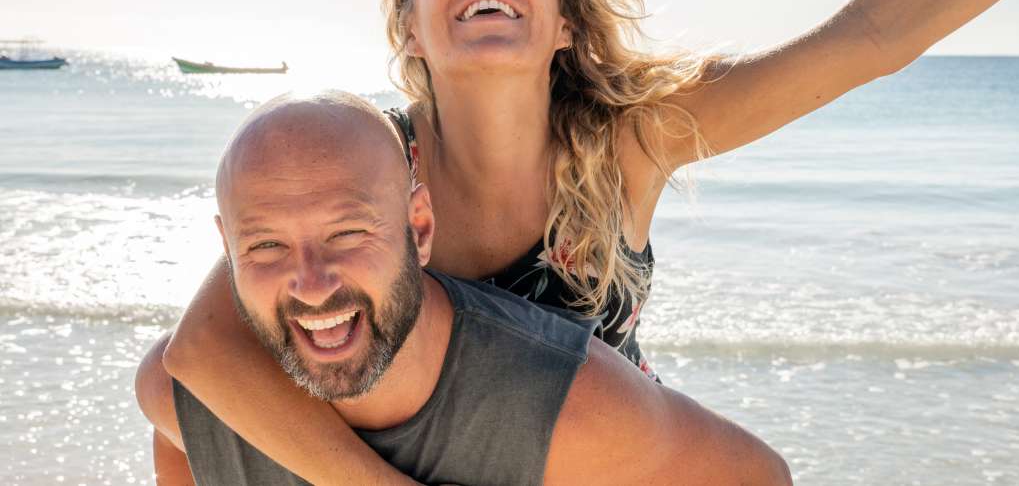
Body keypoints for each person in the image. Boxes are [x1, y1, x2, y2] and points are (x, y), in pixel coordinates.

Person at [142, 0, 1019, 483]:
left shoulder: (632, 140)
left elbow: (865, 39)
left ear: (563, 16)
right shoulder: (371, 162)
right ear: (410, 26)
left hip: (595, 456)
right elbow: (200, 352)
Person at [135, 93, 791, 485]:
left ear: (419, 228)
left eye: (346, 234)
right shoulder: (185, 398)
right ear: (228, 251)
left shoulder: (557, 403)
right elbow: (174, 435)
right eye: (267, 245)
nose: (311, 284)